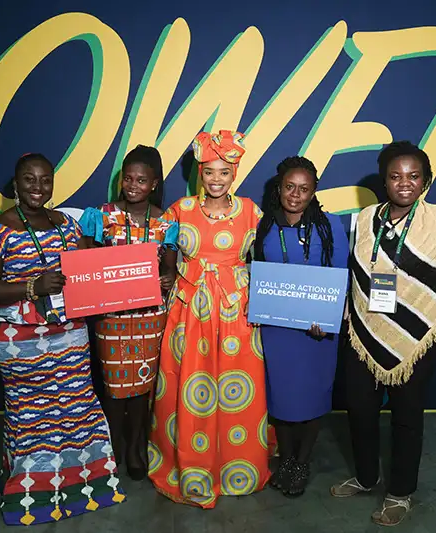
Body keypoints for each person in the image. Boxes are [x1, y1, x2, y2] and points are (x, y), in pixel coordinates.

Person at [330, 141, 436, 526]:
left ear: (425, 182)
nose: (404, 183)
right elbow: (358, 274)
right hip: (364, 331)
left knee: (407, 418)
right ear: (384, 180)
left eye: (413, 177)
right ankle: (365, 475)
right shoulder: (365, 218)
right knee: (358, 411)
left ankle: (400, 493)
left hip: (418, 342)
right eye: (395, 176)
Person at [0, 153, 125, 526]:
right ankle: (29, 498)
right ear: (15, 185)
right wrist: (31, 286)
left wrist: (124, 271)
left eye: (45, 180)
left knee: (76, 409)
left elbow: (88, 274)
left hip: (69, 335)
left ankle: (86, 488)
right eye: (29, 180)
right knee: (32, 416)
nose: (38, 187)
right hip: (19, 342)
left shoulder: (67, 225)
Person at [148, 130, 269, 508]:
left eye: (225, 172)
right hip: (189, 310)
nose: (217, 180)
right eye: (209, 172)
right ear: (199, 173)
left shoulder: (251, 211)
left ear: (235, 174)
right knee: (189, 387)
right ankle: (188, 465)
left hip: (236, 312)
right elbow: (153, 255)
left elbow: (265, 261)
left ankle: (238, 467)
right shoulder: (179, 211)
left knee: (237, 389)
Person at [78, 145, 178, 481]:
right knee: (113, 387)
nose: (133, 185)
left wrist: (168, 277)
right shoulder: (100, 216)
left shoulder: (166, 222)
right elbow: (84, 265)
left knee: (142, 389)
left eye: (141, 180)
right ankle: (113, 445)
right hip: (111, 319)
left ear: (154, 184)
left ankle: (136, 445)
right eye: (128, 178)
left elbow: (170, 269)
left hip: (150, 316)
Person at [253, 156, 349, 498]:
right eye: (290, 187)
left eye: (304, 189)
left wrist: (327, 321)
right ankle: (287, 458)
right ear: (279, 188)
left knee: (311, 396)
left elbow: (338, 277)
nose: (295, 195)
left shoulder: (330, 226)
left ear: (314, 192)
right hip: (277, 331)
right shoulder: (263, 228)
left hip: (316, 333)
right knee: (281, 398)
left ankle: (301, 462)